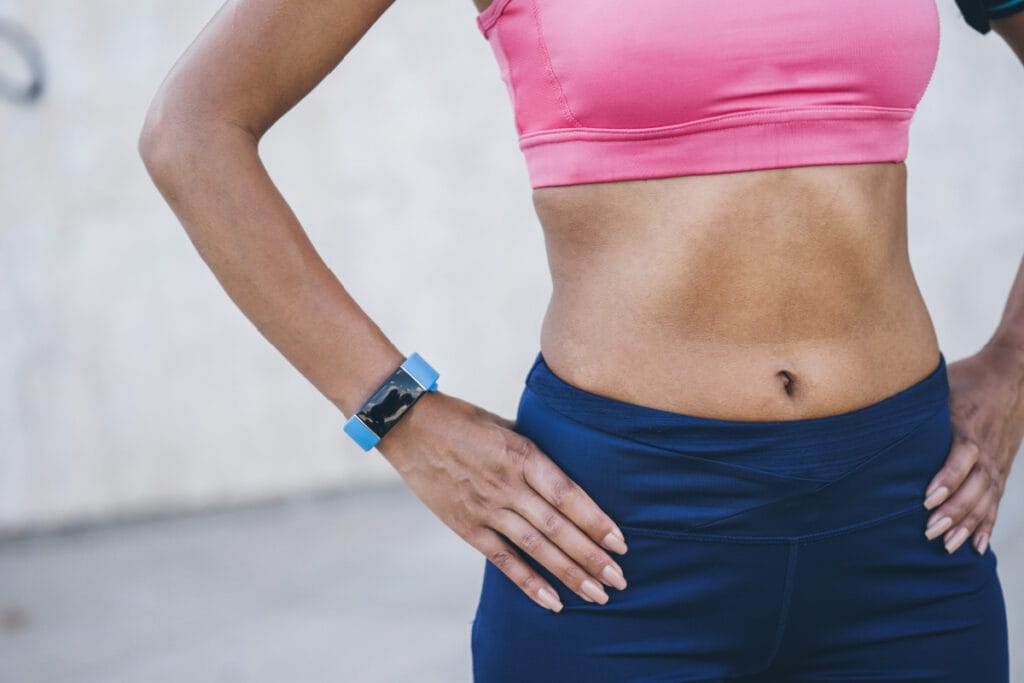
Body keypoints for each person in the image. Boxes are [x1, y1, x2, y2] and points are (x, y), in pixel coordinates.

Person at [139, 1, 1024, 680]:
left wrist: (1016, 362)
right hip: (614, 541)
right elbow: (194, 130)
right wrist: (398, 414)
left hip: (911, 529)